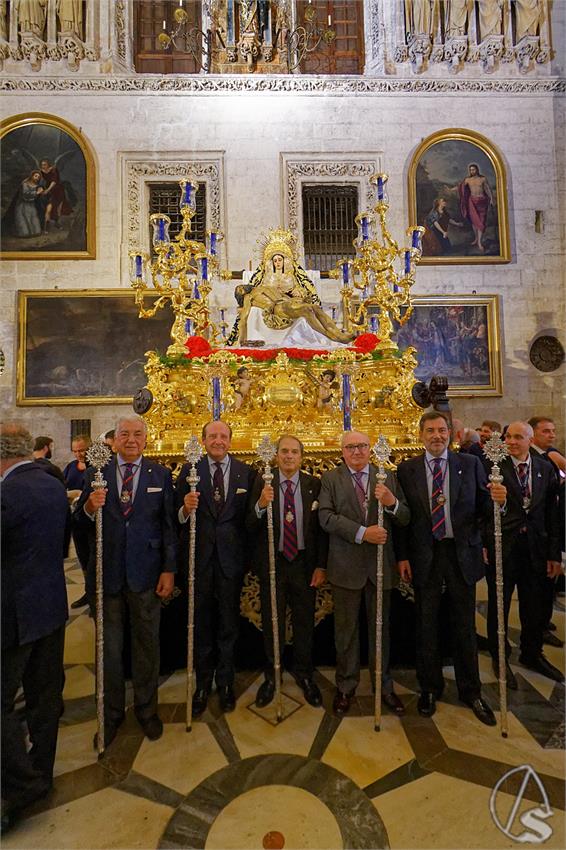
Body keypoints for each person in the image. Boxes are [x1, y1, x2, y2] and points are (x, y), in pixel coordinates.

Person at [74, 415, 177, 746]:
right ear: (113, 441)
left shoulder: (160, 475)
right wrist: (90, 507)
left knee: (147, 646)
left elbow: (167, 527)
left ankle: (147, 710)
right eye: (124, 434)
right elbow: (79, 523)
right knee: (109, 649)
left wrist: (168, 569)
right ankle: (112, 713)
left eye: (137, 434)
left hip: (147, 574)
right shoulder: (95, 474)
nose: (131, 439)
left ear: (145, 440)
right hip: (107, 575)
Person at [396, 411, 497, 726]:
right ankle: (429, 687)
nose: (436, 435)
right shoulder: (407, 470)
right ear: (421, 435)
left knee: (464, 624)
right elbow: (403, 520)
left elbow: (485, 508)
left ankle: (471, 690)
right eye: (430, 430)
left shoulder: (469, 465)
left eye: (442, 430)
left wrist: (499, 500)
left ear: (451, 434)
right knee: (426, 624)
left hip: (460, 554)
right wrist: (402, 557)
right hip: (425, 554)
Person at [1, 423, 69, 834]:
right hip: (50, 607)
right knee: (45, 697)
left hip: (13, 615)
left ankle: (22, 783)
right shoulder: (51, 486)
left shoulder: (8, 493)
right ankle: (42, 771)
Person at [318, 430, 410, 717]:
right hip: (345, 567)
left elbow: (405, 516)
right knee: (346, 632)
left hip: (380, 566)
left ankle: (383, 685)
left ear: (370, 449)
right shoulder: (331, 479)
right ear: (342, 451)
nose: (357, 451)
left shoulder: (386, 476)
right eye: (350, 447)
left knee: (380, 630)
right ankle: (346, 686)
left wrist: (391, 502)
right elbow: (325, 517)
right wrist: (361, 533)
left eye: (362, 446)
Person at [176, 420, 256, 716]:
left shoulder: (244, 472)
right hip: (199, 560)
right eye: (212, 436)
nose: (218, 440)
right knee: (201, 623)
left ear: (230, 441)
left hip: (230, 562)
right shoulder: (190, 471)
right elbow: (176, 517)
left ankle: (225, 682)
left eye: (223, 436)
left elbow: (249, 522)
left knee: (227, 625)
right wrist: (185, 507)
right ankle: (202, 683)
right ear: (203, 440)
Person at [247, 435, 327, 708]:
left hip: (304, 563)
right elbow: (249, 524)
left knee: (305, 620)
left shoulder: (313, 485)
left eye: (294, 452)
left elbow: (321, 530)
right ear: (276, 456)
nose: (289, 456)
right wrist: (260, 504)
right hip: (274, 562)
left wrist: (320, 565)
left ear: (302, 457)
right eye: (284, 451)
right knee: (273, 619)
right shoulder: (263, 482)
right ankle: (273, 674)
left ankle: (304, 673)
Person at [484, 421, 563, 684]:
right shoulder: (494, 466)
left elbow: (552, 513)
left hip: (536, 548)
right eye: (508, 436)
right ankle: (500, 654)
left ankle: (532, 652)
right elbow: (482, 511)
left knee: (535, 604)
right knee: (500, 603)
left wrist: (554, 553)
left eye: (518, 437)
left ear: (530, 440)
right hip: (504, 546)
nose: (512, 441)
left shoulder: (543, 467)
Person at [528, 416, 565, 649]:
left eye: (553, 431)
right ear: (533, 435)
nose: (551, 435)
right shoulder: (540, 458)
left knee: (548, 582)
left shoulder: (549, 455)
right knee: (540, 585)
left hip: (551, 528)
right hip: (537, 532)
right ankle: (537, 627)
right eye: (546, 431)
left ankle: (543, 621)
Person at [64, 434, 91, 610]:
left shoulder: (96, 466)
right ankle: (88, 592)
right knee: (82, 556)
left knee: (92, 557)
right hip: (76, 519)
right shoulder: (71, 467)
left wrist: (80, 495)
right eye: (75, 451)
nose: (78, 454)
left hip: (91, 519)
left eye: (81, 450)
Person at [458, 163, 494, 252]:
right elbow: (460, 187)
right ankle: (476, 239)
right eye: (470, 170)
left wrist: (492, 198)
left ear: (477, 170)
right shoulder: (468, 180)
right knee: (474, 221)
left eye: (473, 169)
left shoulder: (482, 179)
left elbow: (487, 189)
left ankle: (479, 242)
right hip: (472, 202)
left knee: (481, 222)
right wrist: (450, 189)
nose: (472, 171)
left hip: (482, 201)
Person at [38, 157, 72, 232]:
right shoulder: (41, 172)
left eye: (45, 164)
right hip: (49, 192)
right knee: (49, 209)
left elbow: (54, 181)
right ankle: (46, 226)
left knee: (58, 208)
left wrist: (48, 190)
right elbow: (40, 182)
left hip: (57, 190)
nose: (43, 166)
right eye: (42, 164)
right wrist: (42, 189)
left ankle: (57, 223)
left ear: (48, 164)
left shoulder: (53, 170)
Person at [12, 170, 44, 237]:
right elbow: (25, 194)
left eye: (38, 177)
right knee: (25, 219)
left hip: (31, 205)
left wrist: (40, 192)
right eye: (35, 176)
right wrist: (37, 193)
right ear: (32, 176)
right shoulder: (25, 184)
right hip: (23, 205)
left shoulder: (36, 186)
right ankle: (25, 234)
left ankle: (34, 233)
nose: (37, 178)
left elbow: (38, 197)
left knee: (34, 219)